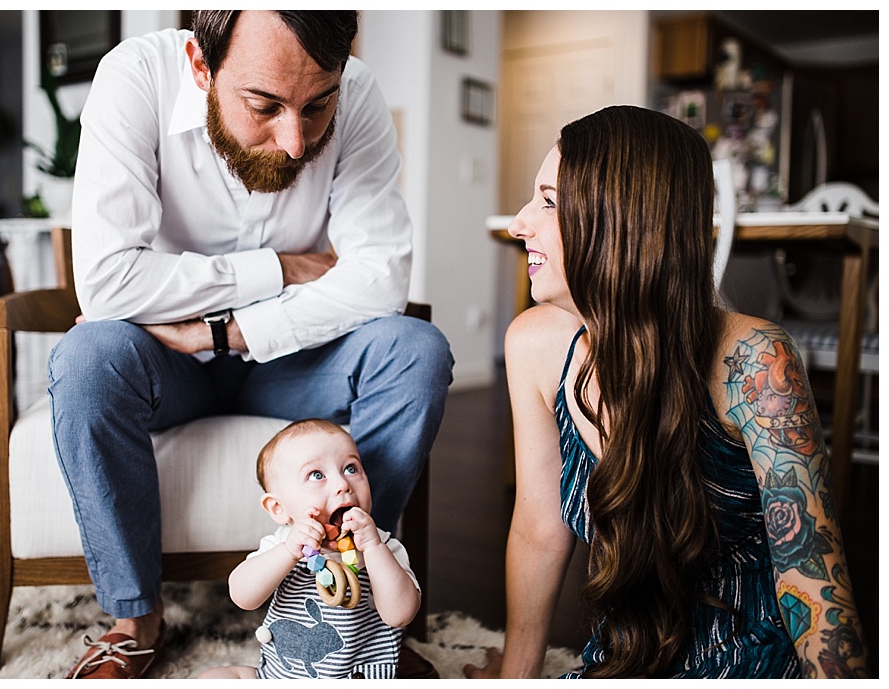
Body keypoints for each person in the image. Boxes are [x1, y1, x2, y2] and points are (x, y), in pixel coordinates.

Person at [51, 11, 453, 679]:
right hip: (164, 365)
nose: (296, 142)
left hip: (290, 363)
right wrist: (280, 267)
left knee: (415, 350)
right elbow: (107, 281)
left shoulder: (359, 93)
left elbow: (380, 276)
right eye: (264, 105)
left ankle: (363, 611)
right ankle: (134, 618)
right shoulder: (134, 79)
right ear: (201, 67)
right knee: (85, 359)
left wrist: (221, 327)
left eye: (318, 105)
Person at [464, 105, 869, 679]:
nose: (519, 223)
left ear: (623, 221)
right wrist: (516, 675)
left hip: (747, 663)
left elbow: (814, 583)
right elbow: (537, 528)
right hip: (626, 660)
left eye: (550, 201)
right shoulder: (532, 345)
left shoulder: (756, 361)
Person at [198, 418, 421, 679]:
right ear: (278, 509)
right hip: (282, 675)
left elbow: (401, 615)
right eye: (317, 475)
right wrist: (289, 551)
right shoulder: (282, 544)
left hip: (357, 676)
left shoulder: (383, 547)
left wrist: (372, 547)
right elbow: (242, 595)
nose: (343, 484)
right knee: (214, 678)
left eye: (351, 468)